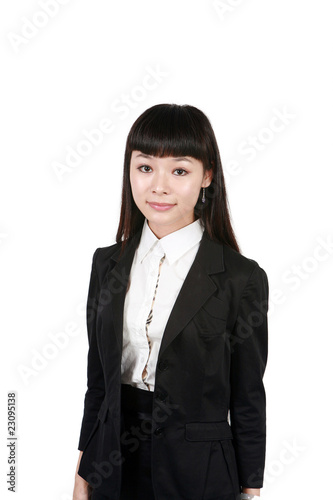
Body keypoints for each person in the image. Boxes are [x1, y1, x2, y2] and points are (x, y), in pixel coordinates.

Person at [72, 103, 269, 500]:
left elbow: (248, 396)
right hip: (113, 465)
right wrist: (82, 473)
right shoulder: (106, 264)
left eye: (179, 171)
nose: (158, 186)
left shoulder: (240, 277)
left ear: (207, 176)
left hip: (198, 474)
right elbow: (99, 384)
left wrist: (251, 490)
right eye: (145, 167)